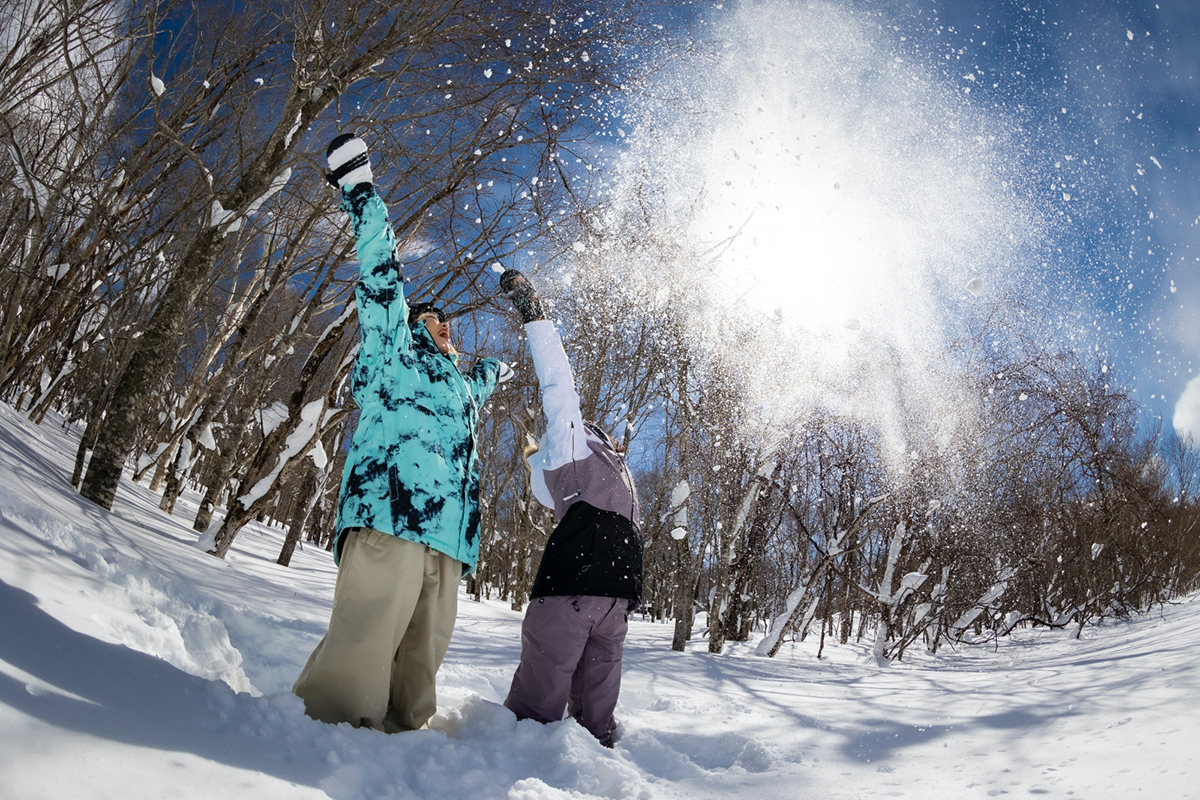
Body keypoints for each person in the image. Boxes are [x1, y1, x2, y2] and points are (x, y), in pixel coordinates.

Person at [293, 133, 508, 732]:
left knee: (419, 672)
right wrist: (362, 195)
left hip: (448, 541)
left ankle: (402, 757)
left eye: (449, 324)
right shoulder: (394, 353)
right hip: (391, 518)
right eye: (437, 319)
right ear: (417, 325)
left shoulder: (458, 388)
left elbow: (476, 396)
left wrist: (493, 370)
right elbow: (381, 281)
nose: (446, 327)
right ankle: (307, 746)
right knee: (360, 657)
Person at [499, 269, 643, 748]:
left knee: (570, 715)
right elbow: (557, 382)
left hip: (593, 597)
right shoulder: (574, 445)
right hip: (592, 593)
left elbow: (550, 495)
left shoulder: (597, 466)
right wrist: (534, 315)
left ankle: (573, 768)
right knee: (561, 714)